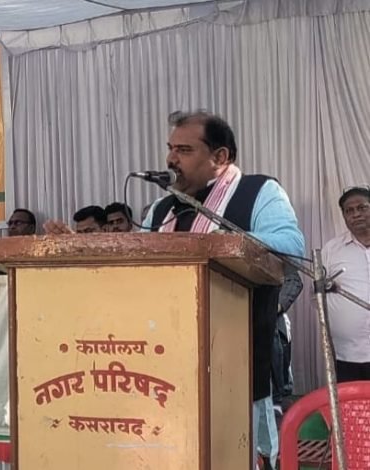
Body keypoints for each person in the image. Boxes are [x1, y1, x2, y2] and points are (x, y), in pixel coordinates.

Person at [142, 111, 304, 468]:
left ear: (220, 156)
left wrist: (222, 241)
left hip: (237, 364)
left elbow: (291, 245)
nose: (171, 159)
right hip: (164, 364)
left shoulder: (258, 191)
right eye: (171, 148)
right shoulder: (162, 209)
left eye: (184, 150)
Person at [323, 186, 370, 382]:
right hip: (347, 354)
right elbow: (317, 297)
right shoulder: (331, 250)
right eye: (349, 211)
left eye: (362, 208)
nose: (356, 214)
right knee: (352, 400)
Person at [272, 265, 303, 414]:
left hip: (272, 319)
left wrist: (275, 307)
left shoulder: (277, 254)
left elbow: (294, 281)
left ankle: (277, 399)